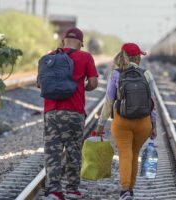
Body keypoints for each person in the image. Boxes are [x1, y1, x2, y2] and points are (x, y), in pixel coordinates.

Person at [41, 27, 98, 200]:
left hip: (51, 112)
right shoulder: (85, 56)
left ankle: (54, 191)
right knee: (73, 151)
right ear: (81, 43)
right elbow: (94, 83)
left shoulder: (49, 56)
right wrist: (82, 87)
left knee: (53, 152)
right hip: (75, 112)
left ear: (63, 41)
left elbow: (40, 83)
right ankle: (72, 189)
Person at [96, 43, 157, 200]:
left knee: (125, 154)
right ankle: (131, 188)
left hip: (122, 121)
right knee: (135, 154)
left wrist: (101, 124)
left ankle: (125, 190)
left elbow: (109, 101)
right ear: (136, 57)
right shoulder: (147, 74)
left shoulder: (116, 74)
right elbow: (153, 103)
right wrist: (154, 125)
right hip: (143, 123)